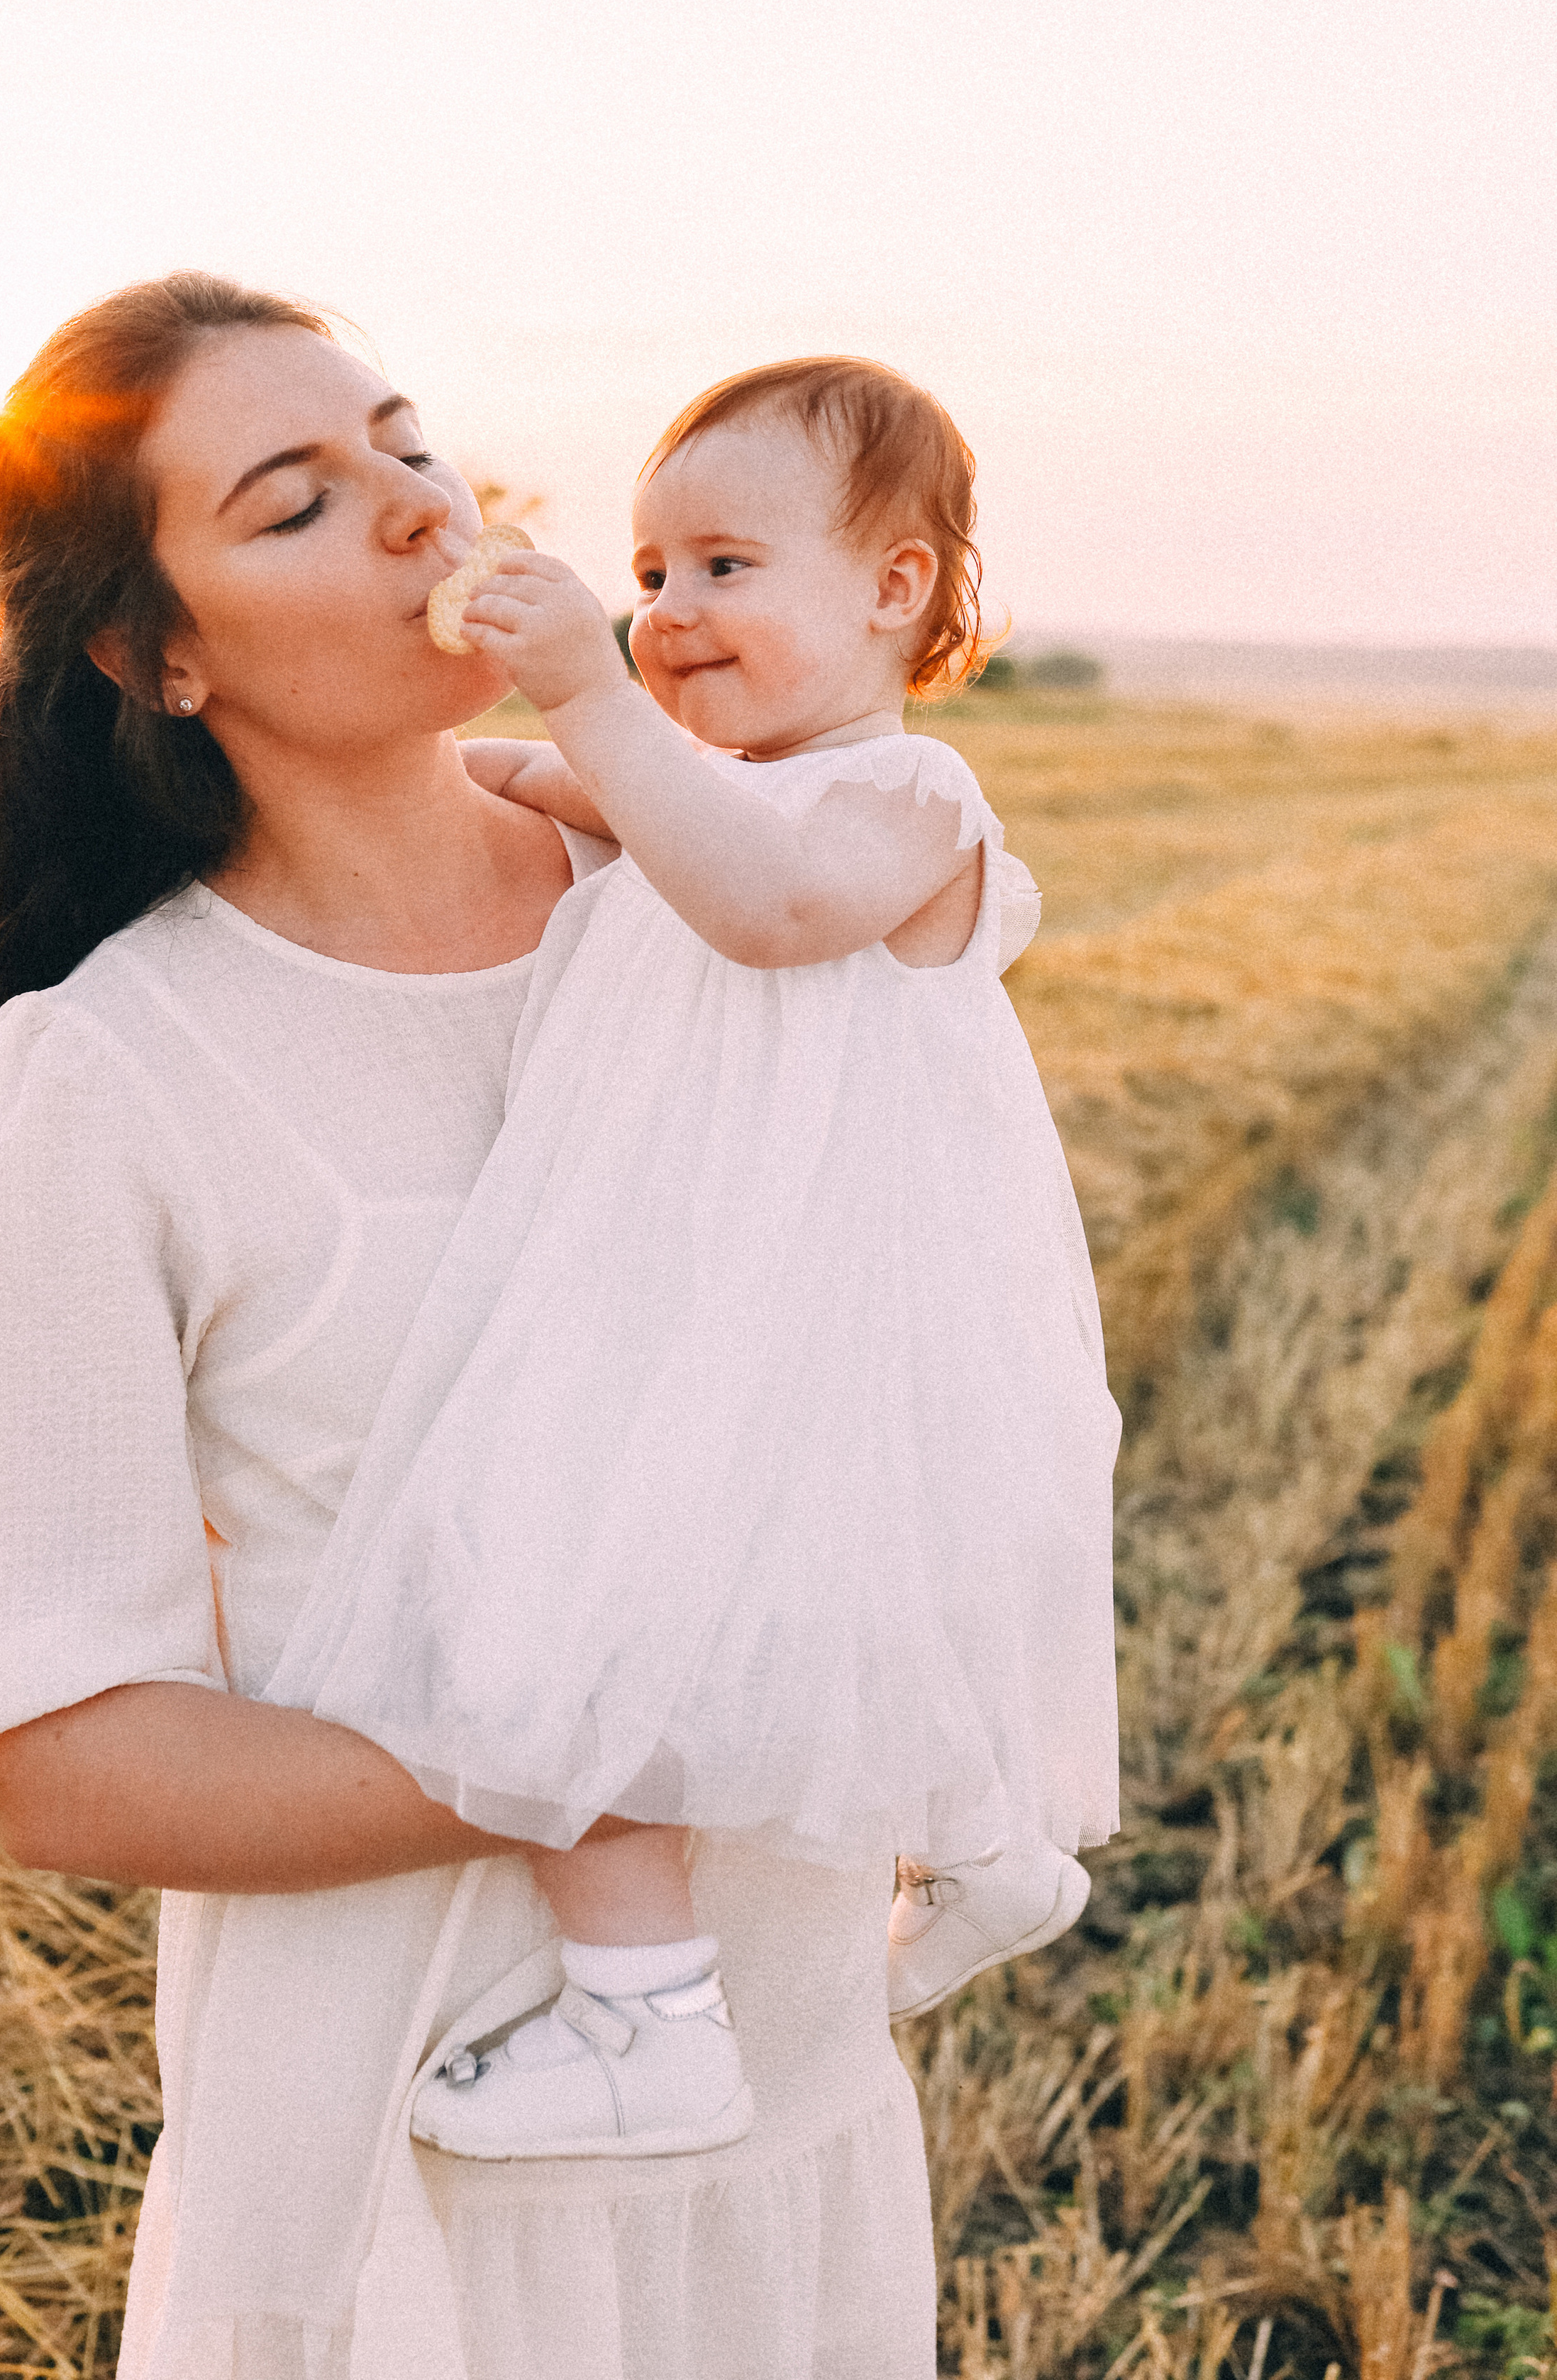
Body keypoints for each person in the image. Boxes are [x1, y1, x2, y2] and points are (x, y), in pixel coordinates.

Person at [0, 277, 940, 2380]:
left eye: (405, 441)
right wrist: (612, 1730)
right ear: (153, 651)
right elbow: (78, 1765)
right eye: (296, 502)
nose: (412, 510)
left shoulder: (709, 910)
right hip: (408, 2155)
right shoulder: (99, 1080)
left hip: (793, 2093)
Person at [274, 357, 1121, 2164]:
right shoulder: (676, 790)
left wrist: (587, 696)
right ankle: (976, 1851)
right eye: (648, 577)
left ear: (892, 591)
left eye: (723, 568)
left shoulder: (908, 803)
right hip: (689, 1297)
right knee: (649, 1594)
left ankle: (661, 2014)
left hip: (808, 1306)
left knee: (596, 1605)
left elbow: (765, 902)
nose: (664, 617)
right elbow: (497, 784)